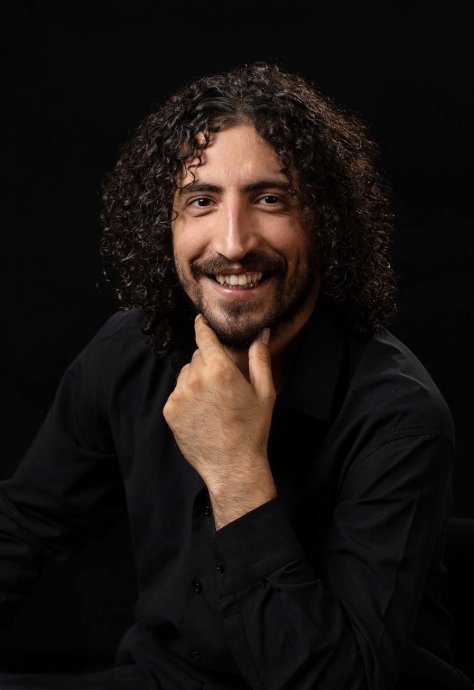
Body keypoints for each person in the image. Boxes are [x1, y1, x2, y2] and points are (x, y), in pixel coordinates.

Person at [0, 60, 472, 690]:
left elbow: (337, 682)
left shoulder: (398, 419)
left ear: (324, 222)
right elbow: (23, 526)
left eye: (269, 199)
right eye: (201, 201)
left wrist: (234, 471)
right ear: (166, 224)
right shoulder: (131, 351)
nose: (233, 242)